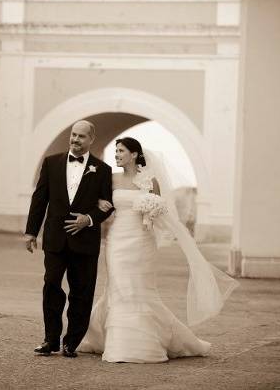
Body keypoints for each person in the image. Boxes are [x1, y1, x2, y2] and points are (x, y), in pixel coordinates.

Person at [78, 137, 239, 363]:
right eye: (115, 151)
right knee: (118, 286)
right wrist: (99, 205)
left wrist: (152, 214)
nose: (116, 155)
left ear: (134, 154)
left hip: (142, 241)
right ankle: (112, 339)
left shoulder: (150, 181)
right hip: (117, 240)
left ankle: (135, 343)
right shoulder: (110, 179)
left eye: (121, 151)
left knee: (139, 288)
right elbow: (96, 201)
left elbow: (160, 210)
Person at [24, 120, 114, 358]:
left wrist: (89, 218)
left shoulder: (103, 170)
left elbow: (107, 205)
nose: (75, 140)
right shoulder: (51, 163)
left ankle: (71, 342)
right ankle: (50, 339)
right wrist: (32, 231)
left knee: (81, 293)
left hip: (85, 241)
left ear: (91, 139)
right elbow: (40, 198)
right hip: (55, 239)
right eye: (73, 135)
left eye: (81, 136)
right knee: (51, 285)